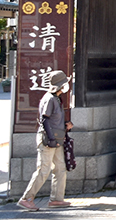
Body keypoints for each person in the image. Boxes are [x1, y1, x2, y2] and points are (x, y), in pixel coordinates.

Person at [19, 70, 72, 210]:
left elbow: (54, 119)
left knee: (60, 168)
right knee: (44, 169)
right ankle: (27, 198)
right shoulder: (49, 98)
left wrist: (67, 125)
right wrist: (51, 138)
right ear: (60, 86)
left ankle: (56, 199)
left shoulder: (56, 99)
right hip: (49, 140)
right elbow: (45, 120)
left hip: (57, 140)